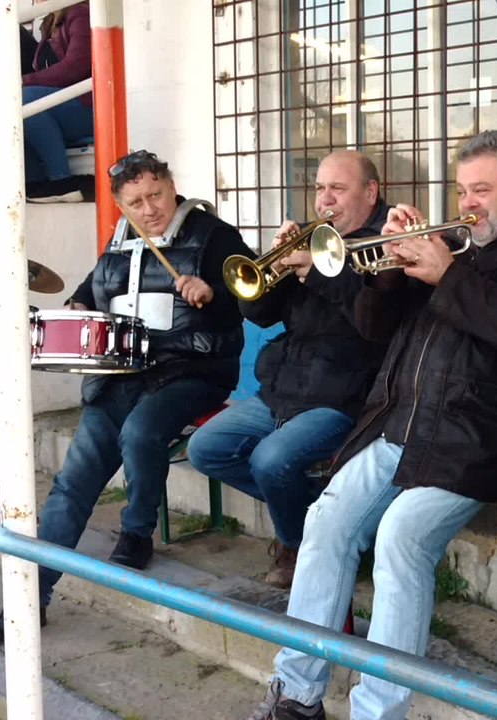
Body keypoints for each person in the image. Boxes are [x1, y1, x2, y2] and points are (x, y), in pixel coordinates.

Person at [241, 130, 497, 720]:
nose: (467, 201)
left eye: (482, 190)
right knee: (325, 521)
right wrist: (394, 264)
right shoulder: (459, 240)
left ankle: (379, 712)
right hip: (401, 422)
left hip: (488, 436)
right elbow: (374, 327)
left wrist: (448, 276)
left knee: (401, 538)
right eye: (461, 189)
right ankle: (296, 696)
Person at [0, 150, 254, 645]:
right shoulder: (121, 237)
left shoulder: (215, 236)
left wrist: (213, 292)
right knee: (73, 482)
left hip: (195, 370)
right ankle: (28, 600)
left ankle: (137, 530)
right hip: (122, 375)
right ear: (122, 205)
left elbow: (255, 299)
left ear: (172, 186)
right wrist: (79, 303)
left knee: (142, 431)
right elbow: (94, 285)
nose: (149, 209)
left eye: (156, 195)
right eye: (135, 202)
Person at [187, 150, 389, 588]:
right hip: (284, 387)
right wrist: (275, 263)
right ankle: (326, 516)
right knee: (206, 449)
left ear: (370, 192)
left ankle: (299, 545)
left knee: (271, 460)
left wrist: (317, 273)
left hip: (346, 394)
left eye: (337, 188)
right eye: (319, 188)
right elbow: (260, 315)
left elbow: (376, 323)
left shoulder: (383, 246)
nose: (324, 200)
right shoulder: (315, 239)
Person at [20, 0, 93, 202]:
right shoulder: (50, 20)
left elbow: (75, 67)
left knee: (24, 99)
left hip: (92, 108)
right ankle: (36, 181)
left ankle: (62, 183)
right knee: (16, 102)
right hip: (67, 107)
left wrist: (23, 81)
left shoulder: (80, 14)